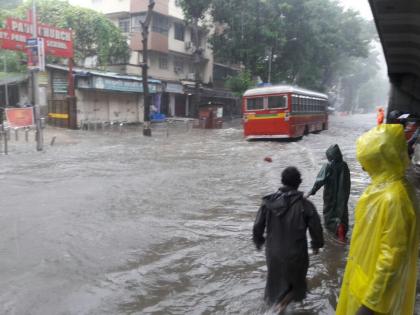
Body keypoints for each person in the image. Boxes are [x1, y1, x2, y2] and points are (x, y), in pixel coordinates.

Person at [336, 124, 419, 315]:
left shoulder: (394, 198)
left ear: (380, 160)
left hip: (374, 300)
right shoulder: (382, 188)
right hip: (363, 281)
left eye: (367, 160)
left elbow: (392, 257)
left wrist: (370, 305)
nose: (363, 167)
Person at [253, 166, 324, 309]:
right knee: (298, 285)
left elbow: (257, 226)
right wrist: (316, 244)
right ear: (299, 183)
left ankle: (276, 305)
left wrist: (259, 241)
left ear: (282, 181)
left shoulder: (268, 203)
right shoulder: (306, 205)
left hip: (273, 253)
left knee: (275, 284)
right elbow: (316, 228)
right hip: (296, 254)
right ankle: (282, 306)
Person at [306, 144, 350, 242]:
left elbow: (319, 181)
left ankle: (337, 233)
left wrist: (311, 192)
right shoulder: (344, 165)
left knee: (330, 215)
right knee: (342, 212)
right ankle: (342, 234)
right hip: (343, 196)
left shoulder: (328, 166)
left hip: (330, 196)